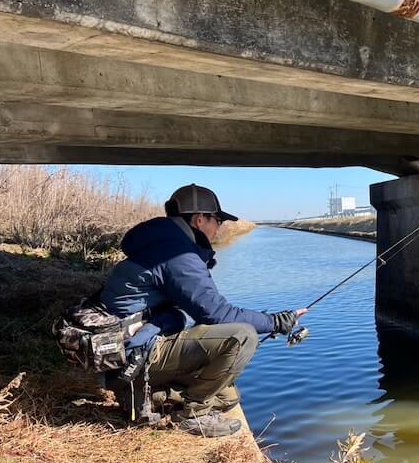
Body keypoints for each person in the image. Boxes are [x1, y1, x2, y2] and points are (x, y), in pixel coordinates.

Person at [101, 184, 304, 437]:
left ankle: (146, 397)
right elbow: (217, 315)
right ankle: (193, 415)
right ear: (199, 220)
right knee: (241, 337)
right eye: (217, 220)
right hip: (136, 355)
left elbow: (207, 311)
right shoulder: (176, 254)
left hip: (131, 350)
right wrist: (274, 322)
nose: (219, 227)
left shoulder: (162, 245)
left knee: (229, 396)